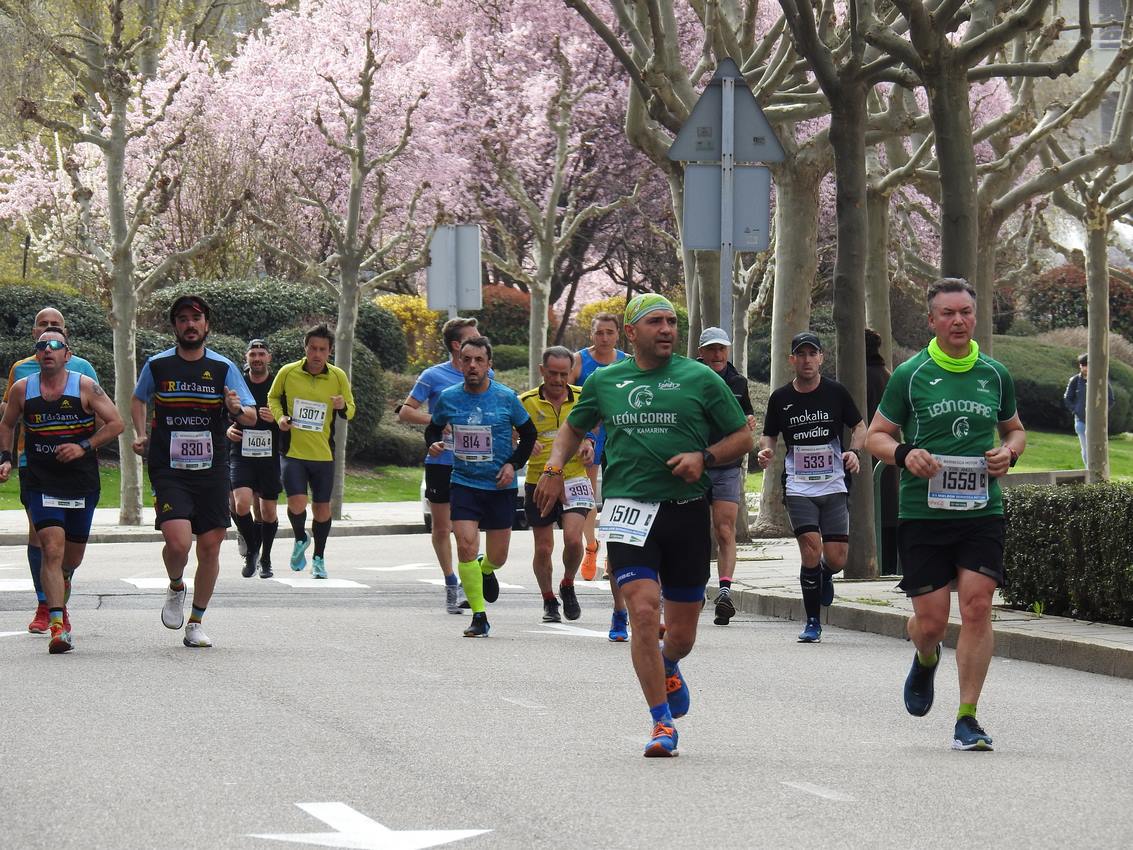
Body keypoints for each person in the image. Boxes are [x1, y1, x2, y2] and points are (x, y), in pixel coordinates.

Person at [535, 294, 752, 758]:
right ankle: (661, 723)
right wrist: (554, 468)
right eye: (656, 322)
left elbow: (742, 436)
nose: (667, 329)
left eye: (672, 322)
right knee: (643, 612)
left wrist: (705, 457)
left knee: (682, 633)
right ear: (632, 333)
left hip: (686, 512)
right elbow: (574, 427)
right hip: (629, 511)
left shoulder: (701, 379)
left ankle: (670, 661)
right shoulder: (607, 381)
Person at [866, 277, 1026, 751]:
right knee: (932, 623)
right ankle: (926, 655)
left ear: (975, 317)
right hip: (923, 512)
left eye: (966, 313)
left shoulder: (995, 374)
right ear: (932, 320)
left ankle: (968, 717)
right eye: (948, 313)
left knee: (977, 607)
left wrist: (1009, 454)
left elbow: (1015, 430)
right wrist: (904, 453)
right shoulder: (910, 375)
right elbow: (876, 434)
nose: (958, 321)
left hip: (982, 509)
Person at [132, 295, 257, 648]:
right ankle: (175, 585)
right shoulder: (157, 365)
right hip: (169, 467)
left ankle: (196, 621)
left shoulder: (223, 367)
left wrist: (236, 409)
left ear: (207, 326)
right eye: (183, 319)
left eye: (196, 319)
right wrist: (141, 432)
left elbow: (249, 414)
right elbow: (139, 398)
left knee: (212, 546)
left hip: (212, 468)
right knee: (178, 542)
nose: (190, 324)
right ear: (175, 326)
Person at [0, 330, 123, 653]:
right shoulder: (22, 389)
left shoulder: (84, 386)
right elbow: (7, 423)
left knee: (72, 557)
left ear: (67, 354)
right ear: (37, 355)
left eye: (54, 346)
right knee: (51, 548)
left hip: (80, 479)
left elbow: (115, 423)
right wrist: (6, 458)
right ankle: (58, 624)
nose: (47, 350)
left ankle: (63, 581)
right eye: (41, 346)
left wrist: (84, 446)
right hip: (40, 478)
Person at [425, 336, 537, 637]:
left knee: (498, 556)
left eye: (479, 360)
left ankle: (485, 570)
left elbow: (529, 434)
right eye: (467, 360)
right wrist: (433, 443)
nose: (472, 365)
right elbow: (433, 426)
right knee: (464, 544)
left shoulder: (506, 397)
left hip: (500, 486)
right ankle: (479, 615)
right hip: (463, 482)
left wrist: (513, 464)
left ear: (489, 365)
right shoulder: (448, 397)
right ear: (460, 363)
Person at [758, 331, 866, 643]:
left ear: (821, 358)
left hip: (833, 485)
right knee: (809, 548)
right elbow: (769, 435)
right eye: (800, 354)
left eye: (812, 354)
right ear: (792, 359)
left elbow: (860, 426)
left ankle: (825, 573)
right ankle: (813, 622)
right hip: (799, 487)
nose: (806, 360)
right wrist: (765, 451)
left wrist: (854, 452)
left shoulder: (836, 392)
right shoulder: (781, 398)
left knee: (837, 558)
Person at [398, 317, 486, 612]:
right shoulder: (433, 376)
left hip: (475, 460)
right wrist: (437, 422)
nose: (480, 339)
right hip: (441, 460)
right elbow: (405, 412)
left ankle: (474, 574)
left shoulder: (488, 372)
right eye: (473, 336)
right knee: (442, 526)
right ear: (456, 345)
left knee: (470, 525)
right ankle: (452, 583)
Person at [268, 324, 356, 580]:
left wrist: (342, 405)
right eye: (313, 348)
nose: (317, 354)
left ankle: (318, 558)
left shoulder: (338, 376)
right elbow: (273, 398)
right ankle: (299, 538)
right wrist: (280, 418)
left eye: (323, 350)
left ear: (329, 351)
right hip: (293, 451)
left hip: (323, 455)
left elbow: (350, 409)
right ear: (305, 348)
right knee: (297, 502)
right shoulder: (288, 372)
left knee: (322, 509)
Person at [518, 346, 595, 623]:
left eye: (564, 374)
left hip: (575, 477)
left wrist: (588, 443)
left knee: (574, 540)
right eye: (553, 374)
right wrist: (524, 442)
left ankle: (568, 583)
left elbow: (592, 426)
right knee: (544, 548)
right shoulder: (525, 401)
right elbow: (511, 432)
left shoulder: (583, 396)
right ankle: (549, 600)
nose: (559, 380)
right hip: (539, 481)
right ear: (542, 371)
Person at [568, 311, 631, 640]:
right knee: (589, 494)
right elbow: (570, 402)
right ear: (591, 334)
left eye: (609, 332)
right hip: (589, 438)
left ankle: (611, 549)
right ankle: (591, 545)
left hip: (620, 437)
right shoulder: (579, 362)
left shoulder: (627, 362)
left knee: (617, 498)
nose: (603, 338)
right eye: (598, 332)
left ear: (617, 335)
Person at [695, 327, 756, 626]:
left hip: (727, 466)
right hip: (695, 466)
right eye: (712, 349)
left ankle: (725, 592)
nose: (718, 355)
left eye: (722, 349)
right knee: (692, 532)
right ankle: (692, 589)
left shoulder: (738, 382)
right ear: (701, 352)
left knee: (724, 529)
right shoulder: (689, 379)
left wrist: (749, 420)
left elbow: (747, 416)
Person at [225, 339, 282, 579]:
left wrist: (275, 420)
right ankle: (251, 551)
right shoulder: (239, 383)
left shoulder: (277, 386)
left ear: (269, 357)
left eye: (261, 354)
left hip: (268, 457)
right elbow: (222, 413)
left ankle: (266, 558)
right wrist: (226, 431)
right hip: (241, 454)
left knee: (267, 512)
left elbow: (289, 421)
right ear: (246, 358)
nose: (257, 358)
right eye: (253, 354)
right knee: (240, 504)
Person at [1063, 353, 1113, 467]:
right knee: (1086, 449)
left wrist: (1102, 413)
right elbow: (1067, 398)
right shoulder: (1075, 380)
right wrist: (1075, 410)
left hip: (1098, 422)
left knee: (1099, 449)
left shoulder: (1102, 380)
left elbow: (1110, 399)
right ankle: (1089, 472)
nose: (1085, 368)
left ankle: (1100, 471)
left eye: (1088, 365)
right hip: (1081, 421)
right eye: (1083, 365)